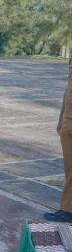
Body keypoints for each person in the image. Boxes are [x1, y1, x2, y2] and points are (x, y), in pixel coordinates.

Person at [44, 56, 72, 222]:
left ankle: (67, 210)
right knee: (69, 168)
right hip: (68, 123)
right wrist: (61, 119)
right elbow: (67, 91)